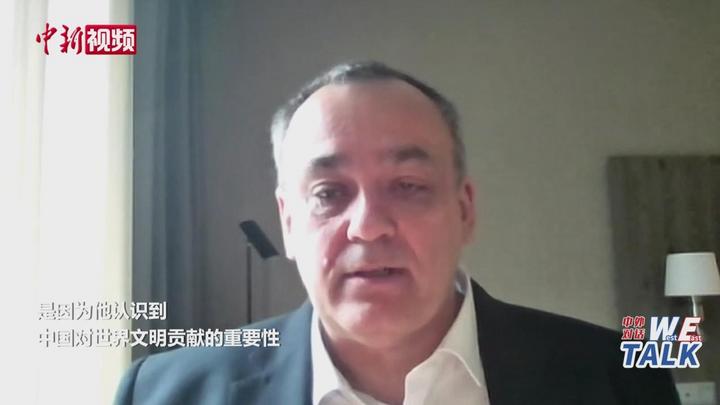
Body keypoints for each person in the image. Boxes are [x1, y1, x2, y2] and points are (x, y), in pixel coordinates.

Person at [115, 61, 680, 405]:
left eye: (408, 186)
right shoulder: (166, 393)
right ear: (288, 222)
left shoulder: (622, 379)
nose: (368, 225)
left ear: (464, 210)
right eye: (328, 193)